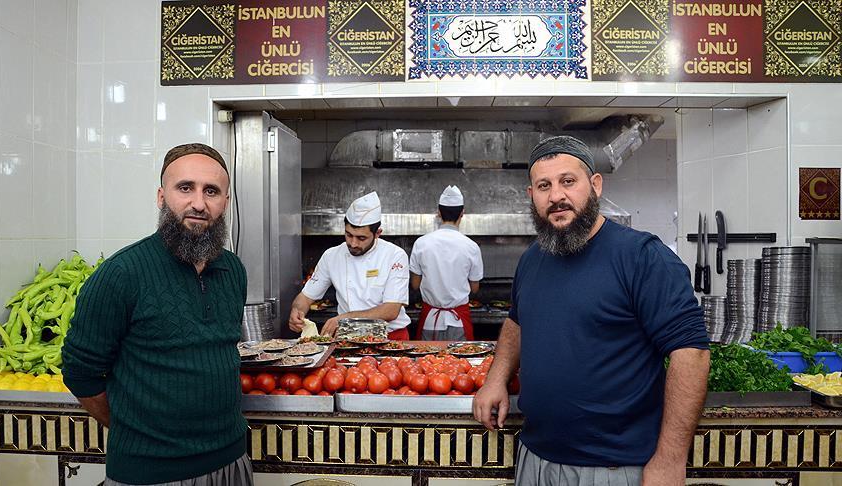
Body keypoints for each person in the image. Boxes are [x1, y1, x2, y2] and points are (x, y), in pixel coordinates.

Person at [472, 136, 710, 486]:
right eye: (544, 186)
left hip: (613, 467)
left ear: (595, 185)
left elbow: (691, 353)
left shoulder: (642, 256)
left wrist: (670, 459)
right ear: (531, 195)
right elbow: (517, 323)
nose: (556, 196)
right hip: (535, 457)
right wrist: (496, 379)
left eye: (568, 181)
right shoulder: (532, 259)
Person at [62, 143, 253, 486]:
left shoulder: (234, 270)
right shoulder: (122, 274)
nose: (199, 203)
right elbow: (80, 373)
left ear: (225, 202)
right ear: (162, 197)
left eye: (211, 191)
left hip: (231, 460)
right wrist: (136, 430)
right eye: (185, 188)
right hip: (150, 473)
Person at [288, 191, 411, 339]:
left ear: (378, 233)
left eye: (361, 238)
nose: (353, 243)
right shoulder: (331, 256)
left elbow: (391, 310)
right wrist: (297, 311)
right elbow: (306, 297)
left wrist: (345, 318)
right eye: (349, 235)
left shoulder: (395, 255)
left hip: (390, 337)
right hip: (348, 338)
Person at [409, 185, 483, 341]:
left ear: (439, 212)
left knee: (429, 356)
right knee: (459, 357)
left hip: (430, 321)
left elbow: (415, 285)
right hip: (459, 322)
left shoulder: (421, 243)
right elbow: (474, 288)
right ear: (462, 213)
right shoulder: (471, 246)